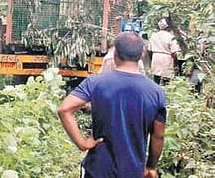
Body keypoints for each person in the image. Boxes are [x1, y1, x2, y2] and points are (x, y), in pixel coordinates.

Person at [58, 32, 166, 178]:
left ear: (115, 54)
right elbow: (158, 136)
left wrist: (82, 143)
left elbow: (64, 109)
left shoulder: (95, 82)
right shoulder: (156, 92)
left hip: (97, 169)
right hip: (133, 171)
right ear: (141, 55)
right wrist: (151, 167)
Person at [148, 18, 181, 85]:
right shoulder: (171, 37)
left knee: (156, 79)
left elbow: (149, 51)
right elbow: (174, 53)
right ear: (168, 27)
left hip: (156, 58)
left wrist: (151, 60)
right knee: (167, 80)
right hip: (166, 59)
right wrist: (176, 64)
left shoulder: (153, 36)